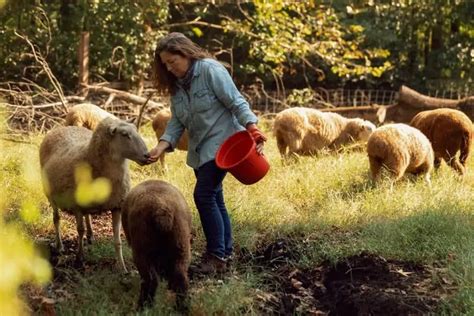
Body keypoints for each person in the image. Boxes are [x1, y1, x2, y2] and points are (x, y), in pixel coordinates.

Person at [147, 32, 267, 274]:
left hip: (223, 145)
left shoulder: (210, 70)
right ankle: (225, 251)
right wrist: (161, 146)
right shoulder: (177, 87)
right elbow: (177, 121)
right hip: (200, 150)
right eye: (165, 65)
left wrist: (252, 128)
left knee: (203, 195)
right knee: (215, 198)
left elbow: (236, 101)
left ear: (186, 53)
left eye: (173, 61)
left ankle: (216, 255)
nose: (170, 68)